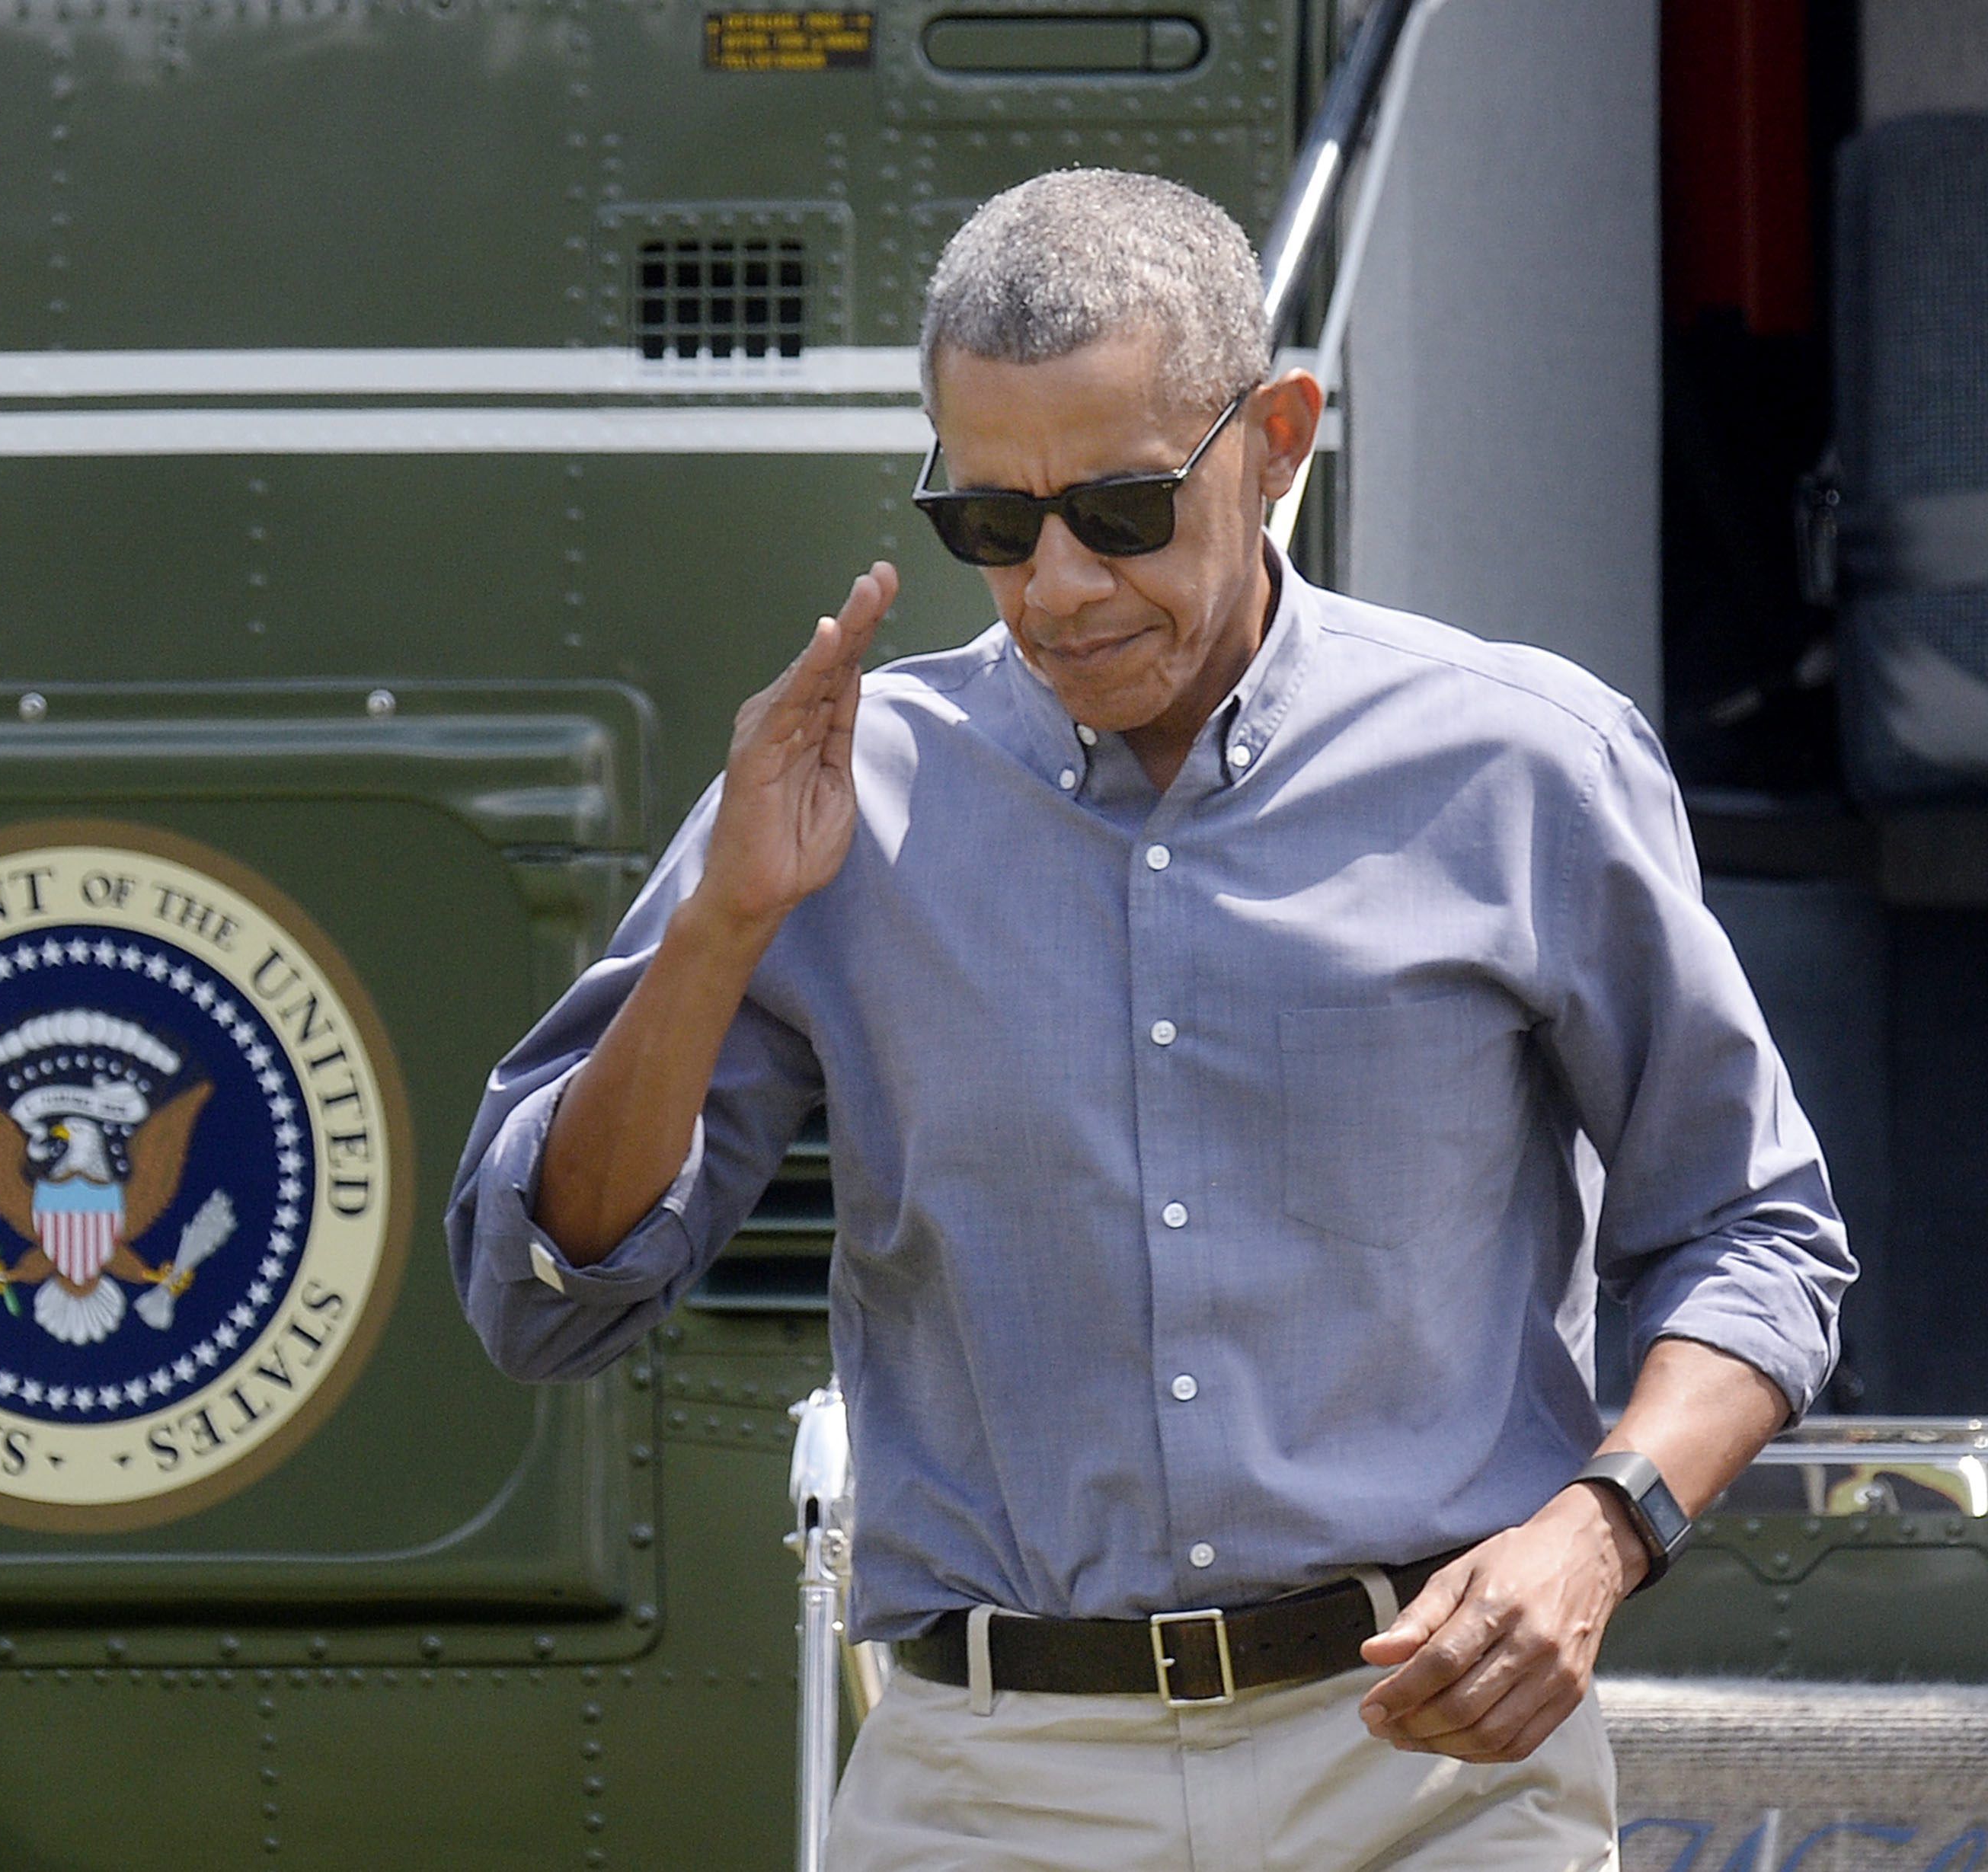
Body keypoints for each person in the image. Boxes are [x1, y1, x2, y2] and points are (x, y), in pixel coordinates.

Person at [448, 168, 1852, 1869]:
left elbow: (1752, 1232)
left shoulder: (1522, 762)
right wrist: (724, 923)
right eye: (987, 522)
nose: (1050, 586)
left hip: (1426, 1770)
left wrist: (1598, 1526)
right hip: (989, 1782)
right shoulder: (839, 796)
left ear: (1275, 437)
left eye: (1114, 511)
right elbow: (547, 1289)